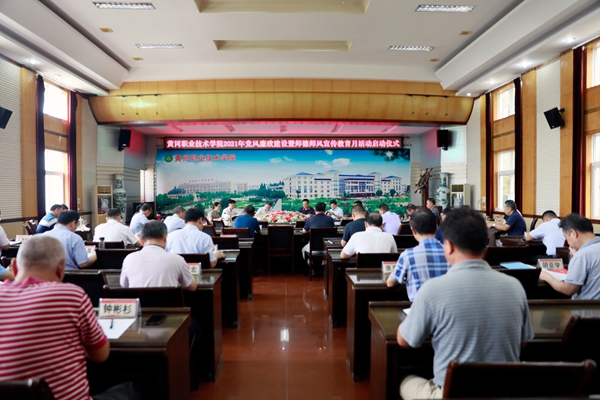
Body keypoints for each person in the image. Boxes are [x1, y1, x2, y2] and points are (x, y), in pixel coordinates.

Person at [396, 208, 533, 400]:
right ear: (485, 243)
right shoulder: (515, 287)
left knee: (403, 381)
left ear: (449, 246)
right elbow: (523, 342)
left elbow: (404, 340)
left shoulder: (432, 290)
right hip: (503, 393)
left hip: (452, 393)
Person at [0, 235, 139, 400]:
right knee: (134, 389)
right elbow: (100, 355)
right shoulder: (71, 295)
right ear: (61, 269)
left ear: (14, 266)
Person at [387, 209, 450, 301]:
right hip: (446, 308)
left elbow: (390, 283)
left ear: (413, 230)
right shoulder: (451, 253)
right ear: (436, 227)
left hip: (419, 308)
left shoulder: (408, 255)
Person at [121, 221, 197, 291]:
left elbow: (124, 285)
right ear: (165, 238)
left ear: (141, 241)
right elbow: (192, 287)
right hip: (168, 301)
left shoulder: (129, 259)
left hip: (140, 302)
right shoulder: (178, 260)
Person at [539, 213, 600, 299]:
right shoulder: (584, 253)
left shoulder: (582, 255)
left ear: (573, 233)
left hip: (585, 306)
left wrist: (546, 276)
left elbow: (568, 290)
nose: (568, 242)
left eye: (566, 237)